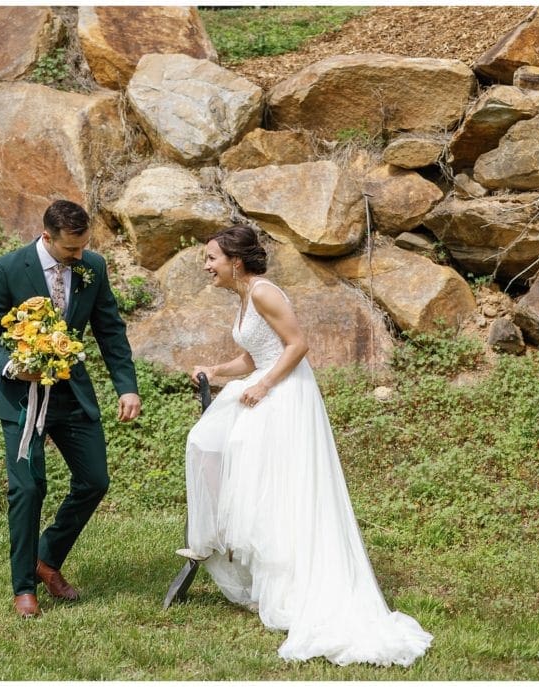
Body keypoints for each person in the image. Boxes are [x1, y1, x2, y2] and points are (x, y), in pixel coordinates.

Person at [181, 225, 432, 666]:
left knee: (282, 486)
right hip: (265, 385)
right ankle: (254, 564)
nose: (206, 266)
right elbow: (256, 354)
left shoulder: (263, 292)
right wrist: (216, 369)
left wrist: (265, 387)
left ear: (235, 262)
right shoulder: (244, 296)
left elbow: (298, 345)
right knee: (214, 448)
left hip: (285, 395)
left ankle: (298, 586)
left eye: (211, 258)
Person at [0, 199, 141, 619]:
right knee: (28, 488)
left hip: (73, 394)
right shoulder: (9, 268)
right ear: (47, 236)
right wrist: (12, 366)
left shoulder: (93, 267)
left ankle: (45, 558)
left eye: (84, 248)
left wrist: (127, 387)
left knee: (94, 480)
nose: (79, 256)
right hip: (23, 396)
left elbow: (109, 329)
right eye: (71, 250)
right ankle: (24, 587)